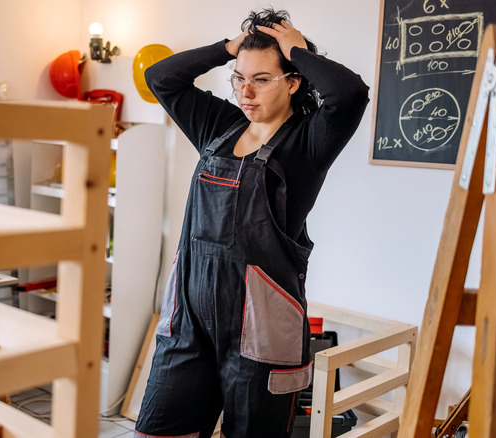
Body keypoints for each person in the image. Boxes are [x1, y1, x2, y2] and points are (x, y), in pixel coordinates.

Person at [134, 7, 369, 438]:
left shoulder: (309, 142)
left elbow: (350, 92)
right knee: (158, 430)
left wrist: (294, 46)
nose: (246, 92)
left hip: (262, 328)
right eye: (239, 78)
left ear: (293, 80)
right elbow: (160, 78)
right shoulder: (218, 125)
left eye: (261, 79)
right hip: (189, 321)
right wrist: (229, 48)